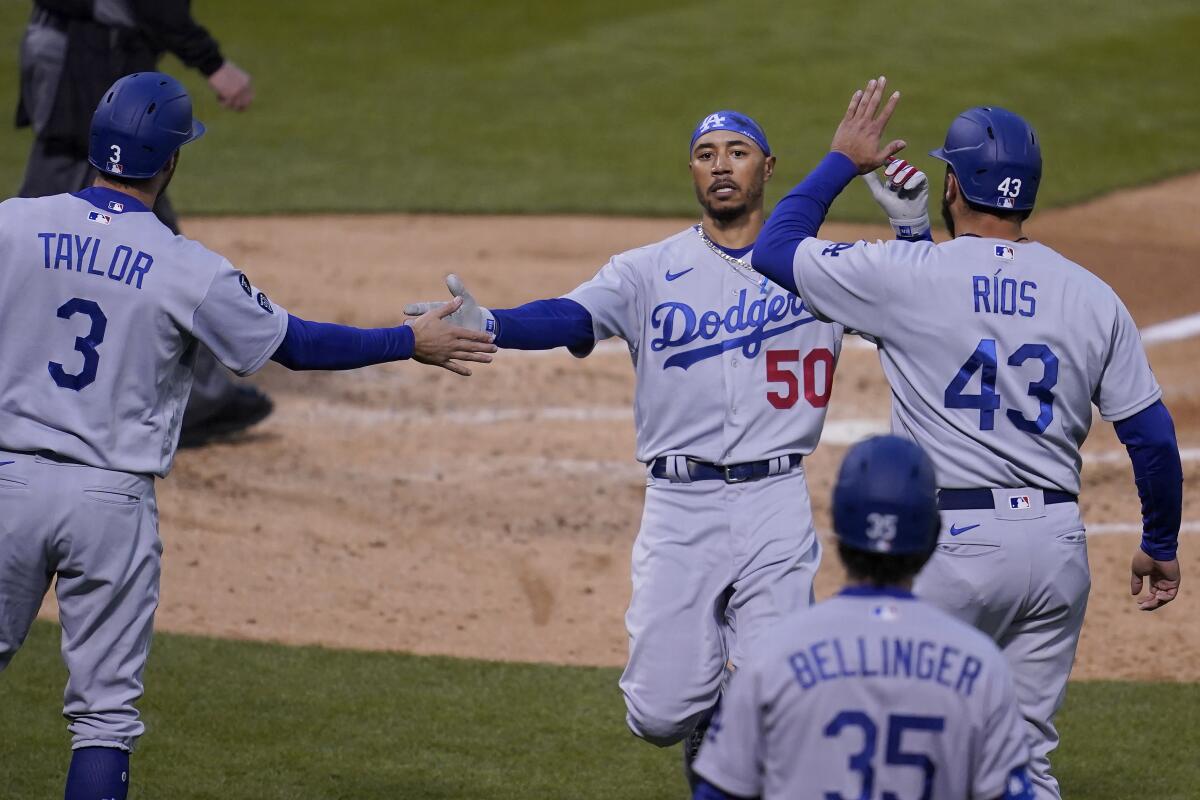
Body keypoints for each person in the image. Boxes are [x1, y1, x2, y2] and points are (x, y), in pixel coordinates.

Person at [0, 72, 496, 800]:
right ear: (170, 161)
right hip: (109, 501)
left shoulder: (13, 223)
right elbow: (294, 343)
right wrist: (407, 340)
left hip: (7, 484)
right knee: (103, 718)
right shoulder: (185, 266)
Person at [405, 104, 925, 785]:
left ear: (768, 168)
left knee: (778, 699)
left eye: (737, 151)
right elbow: (571, 315)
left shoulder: (817, 267)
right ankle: (709, 718)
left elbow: (918, 300)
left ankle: (737, 749)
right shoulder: (648, 270)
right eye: (706, 153)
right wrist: (496, 323)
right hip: (681, 505)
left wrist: (911, 225)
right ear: (692, 171)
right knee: (657, 714)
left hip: (776, 499)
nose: (720, 164)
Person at [749, 76, 1184, 798]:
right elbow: (1153, 439)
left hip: (949, 549)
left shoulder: (908, 275)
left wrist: (842, 161)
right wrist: (1161, 545)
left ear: (954, 184)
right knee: (1020, 763)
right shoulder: (1091, 294)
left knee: (890, 748)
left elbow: (776, 248)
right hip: (1055, 550)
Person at [692, 435, 1035, 800]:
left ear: (837, 531)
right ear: (932, 534)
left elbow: (718, 793)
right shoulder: (980, 664)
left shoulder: (771, 657)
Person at [16, 0, 266, 447]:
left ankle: (203, 396)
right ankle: (202, 397)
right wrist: (213, 63)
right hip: (82, 53)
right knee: (48, 213)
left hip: (78, 44)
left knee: (129, 199)